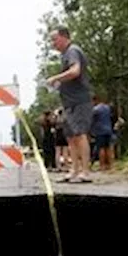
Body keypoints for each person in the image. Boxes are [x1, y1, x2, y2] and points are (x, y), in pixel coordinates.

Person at [45, 27, 93, 183]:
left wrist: (56, 78)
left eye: (54, 39)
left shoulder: (73, 51)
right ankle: (74, 170)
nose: (52, 44)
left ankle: (85, 172)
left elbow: (75, 71)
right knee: (71, 137)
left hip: (79, 100)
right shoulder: (65, 55)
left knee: (80, 134)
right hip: (68, 102)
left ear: (64, 37)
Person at [91, 95, 116, 171]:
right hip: (109, 130)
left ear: (95, 101)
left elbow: (91, 119)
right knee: (109, 148)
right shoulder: (107, 108)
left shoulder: (95, 109)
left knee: (101, 149)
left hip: (100, 131)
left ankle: (102, 165)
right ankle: (110, 165)